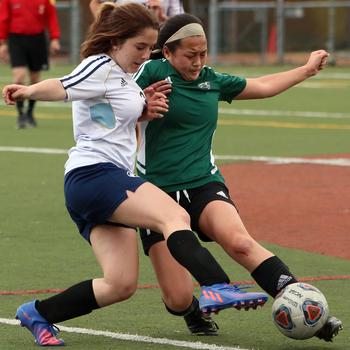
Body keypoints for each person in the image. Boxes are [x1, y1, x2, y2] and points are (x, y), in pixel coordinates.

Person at [2, 3, 268, 346]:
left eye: (149, 48)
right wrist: (28, 91)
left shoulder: (122, 75)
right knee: (174, 214)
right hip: (95, 175)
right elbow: (63, 85)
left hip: (96, 184)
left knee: (120, 284)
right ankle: (216, 286)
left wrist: (143, 107)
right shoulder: (99, 65)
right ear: (115, 42)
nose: (145, 55)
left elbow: (104, 118)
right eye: (139, 47)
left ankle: (38, 313)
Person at [134, 13, 343, 342]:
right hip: (155, 193)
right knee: (177, 297)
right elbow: (109, 104)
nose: (198, 61)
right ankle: (191, 311)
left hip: (204, 182)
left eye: (203, 53)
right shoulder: (148, 73)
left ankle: (309, 310)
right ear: (168, 52)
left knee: (241, 242)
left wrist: (305, 69)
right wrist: (138, 106)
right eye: (190, 55)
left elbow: (260, 86)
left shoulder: (211, 79)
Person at [0, 0, 61, 129]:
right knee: (19, 77)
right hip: (16, 39)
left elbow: (51, 17)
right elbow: (4, 18)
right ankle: (20, 114)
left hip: (37, 39)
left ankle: (30, 113)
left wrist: (54, 38)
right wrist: (3, 43)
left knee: (35, 79)